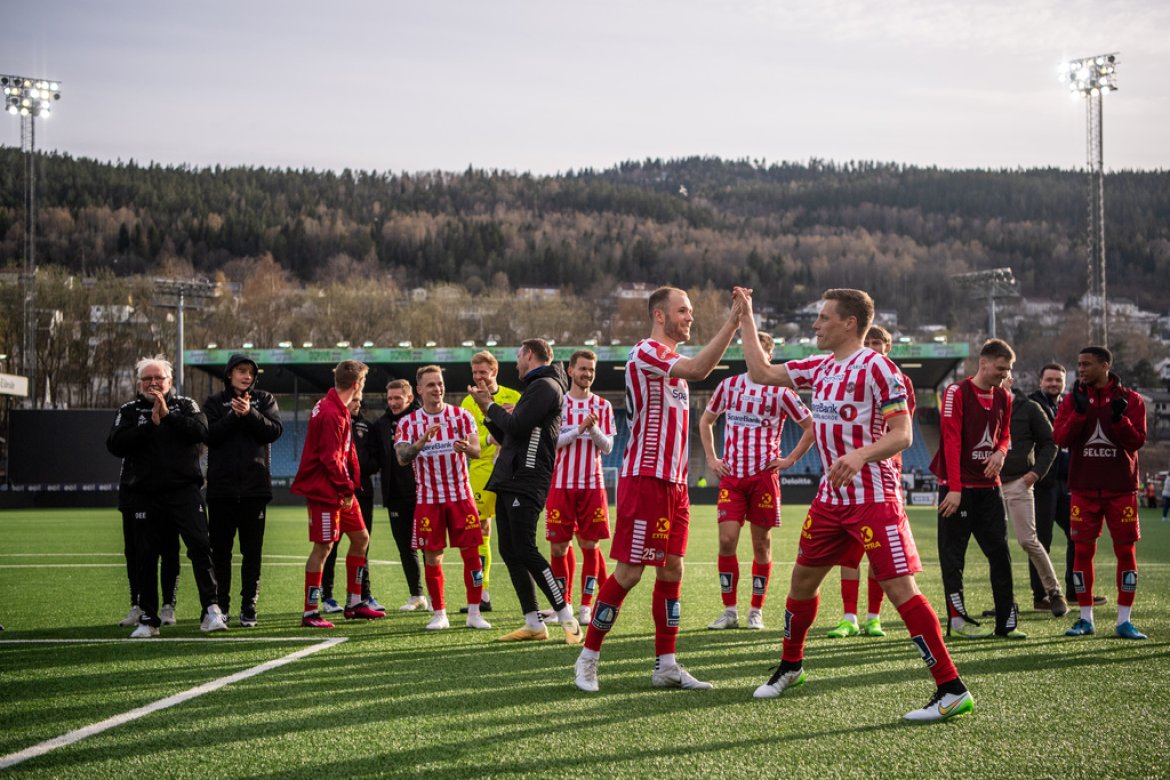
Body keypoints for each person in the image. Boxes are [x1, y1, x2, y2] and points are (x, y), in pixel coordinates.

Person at [739, 287, 973, 722]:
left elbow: (902, 434)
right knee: (801, 584)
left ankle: (951, 687)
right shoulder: (821, 367)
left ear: (849, 323)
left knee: (901, 590)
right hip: (830, 501)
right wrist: (746, 314)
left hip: (874, 499)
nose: (815, 325)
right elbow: (761, 371)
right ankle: (791, 667)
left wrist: (860, 454)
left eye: (824, 318)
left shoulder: (879, 368)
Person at [574, 286, 742, 693]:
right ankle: (587, 658)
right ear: (660, 316)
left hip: (674, 483)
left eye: (691, 311)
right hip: (645, 478)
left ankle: (666, 664)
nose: (690, 317)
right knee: (630, 572)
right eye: (683, 311)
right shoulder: (647, 351)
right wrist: (734, 321)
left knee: (672, 568)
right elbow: (700, 369)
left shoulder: (669, 363)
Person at [467, 339, 584, 643]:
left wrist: (489, 405)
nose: (516, 363)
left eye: (518, 356)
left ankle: (567, 617)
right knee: (509, 550)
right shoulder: (537, 387)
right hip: (510, 476)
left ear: (530, 355)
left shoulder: (545, 386)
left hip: (527, 478)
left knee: (526, 549)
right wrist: (489, 412)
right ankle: (533, 623)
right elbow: (508, 434)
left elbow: (517, 426)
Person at [700, 331, 815, 632]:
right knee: (726, 540)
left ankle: (756, 610)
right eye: (750, 349)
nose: (754, 355)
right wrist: (712, 459)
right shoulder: (729, 386)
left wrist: (789, 459)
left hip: (764, 477)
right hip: (733, 477)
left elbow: (811, 426)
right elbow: (706, 420)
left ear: (769, 355)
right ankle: (729, 611)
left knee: (761, 545)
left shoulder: (781, 391)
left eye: (761, 351)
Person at [106, 356, 226, 638]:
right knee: (145, 555)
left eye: (158, 378)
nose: (153, 383)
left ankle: (211, 610)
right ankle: (148, 619)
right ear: (138, 384)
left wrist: (168, 416)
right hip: (144, 494)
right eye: (147, 379)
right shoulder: (128, 410)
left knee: (199, 546)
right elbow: (115, 444)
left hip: (184, 492)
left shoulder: (186, 405)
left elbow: (202, 431)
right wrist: (150, 424)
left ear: (169, 382)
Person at [931, 339, 1024, 640]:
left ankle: (1006, 623)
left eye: (1008, 369)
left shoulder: (1005, 397)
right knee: (953, 557)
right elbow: (951, 440)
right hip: (957, 489)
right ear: (983, 363)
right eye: (1000, 368)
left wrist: (1001, 452)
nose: (1004, 374)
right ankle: (957, 623)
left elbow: (1006, 435)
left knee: (1000, 553)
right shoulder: (956, 392)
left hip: (989, 490)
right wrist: (955, 490)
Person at [1054, 346, 1148, 640]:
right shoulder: (1072, 400)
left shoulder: (1131, 400)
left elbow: (1136, 442)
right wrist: (1079, 414)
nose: (1080, 369)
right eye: (1079, 364)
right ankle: (1085, 619)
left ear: (1105, 365)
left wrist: (1120, 420)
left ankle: (1124, 620)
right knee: (1082, 551)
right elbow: (1060, 438)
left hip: (1121, 489)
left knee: (1125, 551)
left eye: (1087, 364)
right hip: (1083, 488)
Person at [826, 324, 913, 638]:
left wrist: (869, 453)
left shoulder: (897, 381)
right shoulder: (847, 374)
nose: (874, 347)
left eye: (879, 343)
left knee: (880, 555)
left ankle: (873, 617)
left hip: (882, 478)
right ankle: (849, 616)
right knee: (850, 553)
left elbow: (900, 431)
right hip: (848, 477)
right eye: (870, 341)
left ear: (888, 348)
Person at [290, 360, 385, 628]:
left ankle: (354, 602)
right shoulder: (331, 412)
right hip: (327, 490)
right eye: (363, 384)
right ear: (356, 385)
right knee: (323, 547)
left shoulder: (334, 406)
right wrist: (346, 488)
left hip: (341, 489)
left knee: (361, 537)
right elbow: (330, 459)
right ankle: (310, 612)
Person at [396, 365, 489, 630]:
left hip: (461, 497)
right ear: (419, 390)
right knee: (432, 557)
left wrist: (465, 447)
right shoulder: (408, 423)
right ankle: (440, 613)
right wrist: (421, 442)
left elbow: (476, 450)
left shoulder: (461, 416)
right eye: (430, 385)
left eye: (439, 384)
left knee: (472, 554)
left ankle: (474, 613)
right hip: (428, 500)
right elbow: (402, 458)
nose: (437, 389)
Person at [204, 354, 283, 628]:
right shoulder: (214, 403)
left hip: (254, 490)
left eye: (250, 372)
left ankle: (248, 605)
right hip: (221, 491)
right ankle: (221, 608)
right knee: (221, 553)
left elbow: (273, 431)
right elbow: (209, 435)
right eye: (241, 371)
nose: (247, 376)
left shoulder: (264, 399)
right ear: (229, 374)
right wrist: (232, 416)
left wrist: (249, 414)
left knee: (252, 552)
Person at [545, 349, 616, 626]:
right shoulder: (558, 404)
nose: (587, 374)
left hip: (591, 485)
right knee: (559, 547)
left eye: (591, 370)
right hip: (560, 485)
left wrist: (593, 429)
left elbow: (608, 446)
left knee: (589, 545)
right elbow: (551, 443)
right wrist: (578, 430)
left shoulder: (603, 406)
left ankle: (587, 606)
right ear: (571, 371)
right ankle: (563, 605)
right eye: (583, 369)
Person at [996, 376, 1067, 619]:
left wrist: (1034, 474)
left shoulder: (1029, 409)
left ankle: (1054, 592)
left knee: (1028, 540)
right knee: (995, 546)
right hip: (989, 485)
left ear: (1008, 377)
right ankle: (1004, 602)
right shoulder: (985, 406)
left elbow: (1051, 442)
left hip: (1018, 482)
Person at [459, 352, 522, 613]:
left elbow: (522, 431)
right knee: (481, 531)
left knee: (517, 536)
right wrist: (489, 440)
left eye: (483, 372)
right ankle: (483, 594)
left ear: (494, 372)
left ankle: (528, 600)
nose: (478, 378)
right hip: (481, 473)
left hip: (512, 473)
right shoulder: (467, 402)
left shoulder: (514, 397)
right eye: (475, 373)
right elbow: (467, 439)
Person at [1029, 363, 1089, 608]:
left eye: (1058, 380)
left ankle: (1075, 591)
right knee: (1041, 540)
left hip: (1065, 483)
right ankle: (1041, 596)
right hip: (1043, 483)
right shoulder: (1033, 405)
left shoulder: (1067, 404)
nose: (1054, 384)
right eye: (1049, 380)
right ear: (1040, 381)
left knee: (1078, 533)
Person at [319, 398, 384, 613]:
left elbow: (376, 459)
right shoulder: (332, 420)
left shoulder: (368, 427)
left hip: (361, 491)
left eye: (359, 400)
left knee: (362, 542)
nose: (357, 403)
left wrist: (362, 468)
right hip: (335, 490)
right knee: (330, 544)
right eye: (353, 399)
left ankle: (362, 595)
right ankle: (327, 596)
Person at [371, 378, 427, 611]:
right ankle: (417, 595)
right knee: (405, 547)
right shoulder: (381, 425)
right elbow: (375, 459)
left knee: (428, 546)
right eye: (390, 398)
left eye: (398, 398)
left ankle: (435, 596)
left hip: (423, 493)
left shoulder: (421, 419)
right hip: (395, 494)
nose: (393, 403)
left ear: (410, 398)